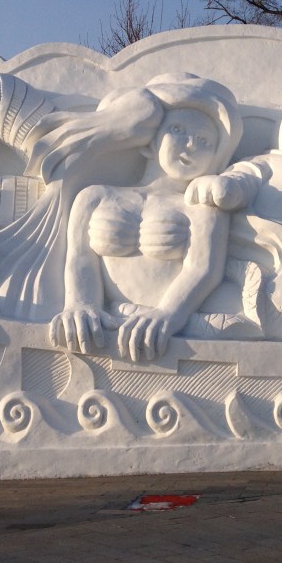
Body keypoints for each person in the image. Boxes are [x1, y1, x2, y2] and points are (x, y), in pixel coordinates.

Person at [50, 73, 242, 362]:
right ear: (149, 143)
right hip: (107, 325)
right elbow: (80, 258)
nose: (190, 144)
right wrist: (80, 305)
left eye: (204, 140)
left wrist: (168, 314)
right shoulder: (95, 196)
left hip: (164, 328)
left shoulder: (202, 208)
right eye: (177, 129)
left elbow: (203, 270)